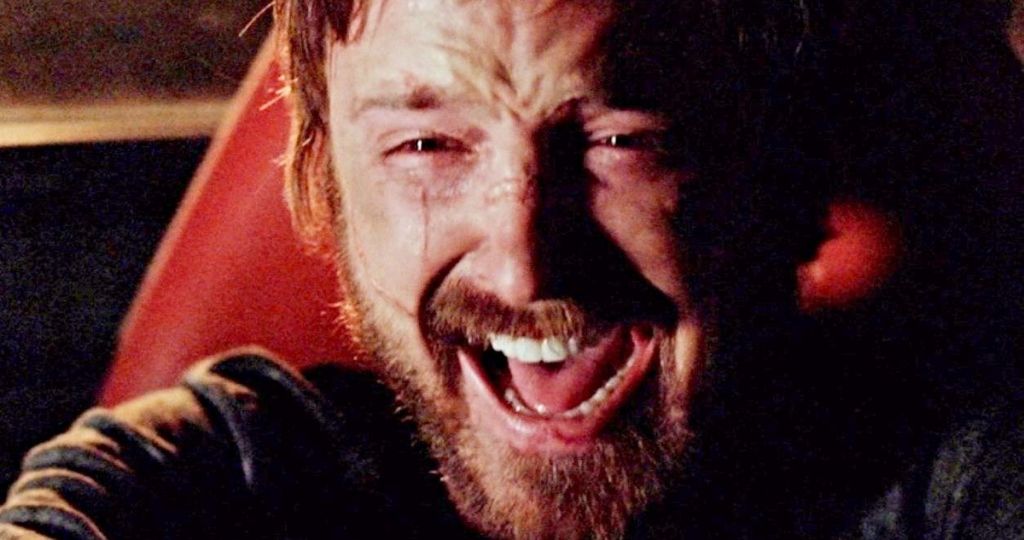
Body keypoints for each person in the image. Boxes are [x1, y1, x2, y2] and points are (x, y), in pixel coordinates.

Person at [2, 1, 1023, 538]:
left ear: (785, 178)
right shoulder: (228, 475)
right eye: (426, 146)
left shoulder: (953, 475)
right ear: (321, 186)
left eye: (625, 141)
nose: (525, 265)